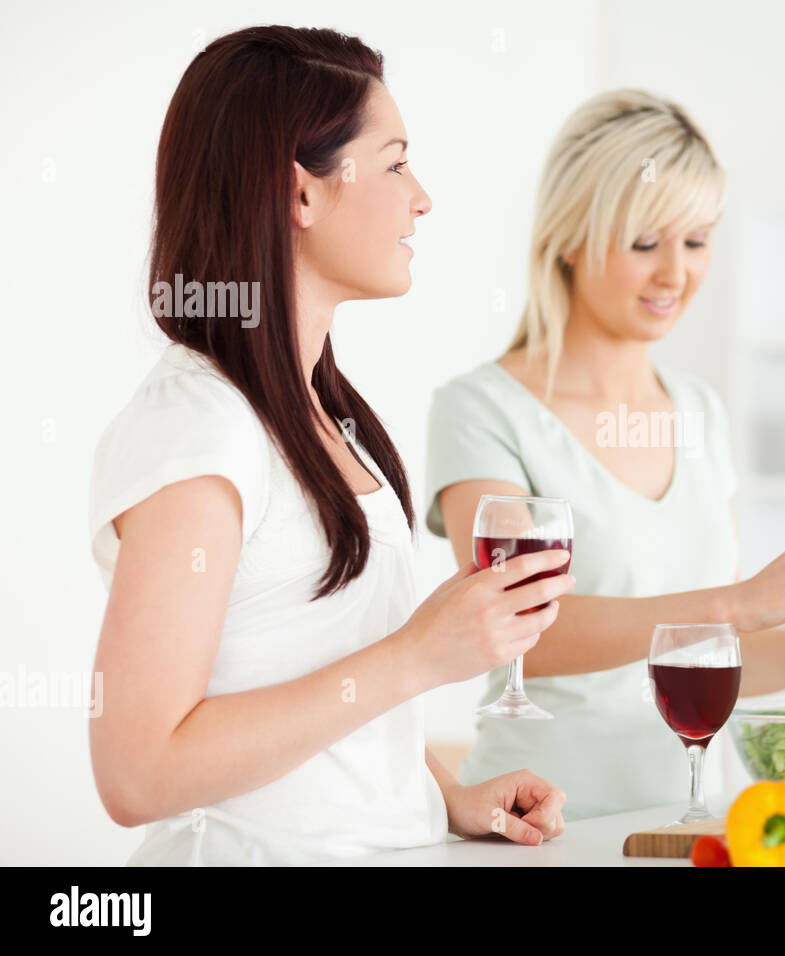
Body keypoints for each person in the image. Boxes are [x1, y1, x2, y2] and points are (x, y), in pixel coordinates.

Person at [87, 25, 570, 865]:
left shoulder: (320, 414)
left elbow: (308, 670)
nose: (422, 198)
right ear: (301, 194)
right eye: (394, 163)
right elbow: (137, 772)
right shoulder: (200, 426)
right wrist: (419, 656)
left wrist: (441, 795)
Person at [425, 89, 785, 821]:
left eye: (697, 241)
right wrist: (738, 604)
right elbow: (513, 635)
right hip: (548, 825)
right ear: (571, 238)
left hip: (705, 825)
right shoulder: (482, 409)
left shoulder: (699, 410)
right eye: (646, 244)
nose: (676, 275)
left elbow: (716, 662)